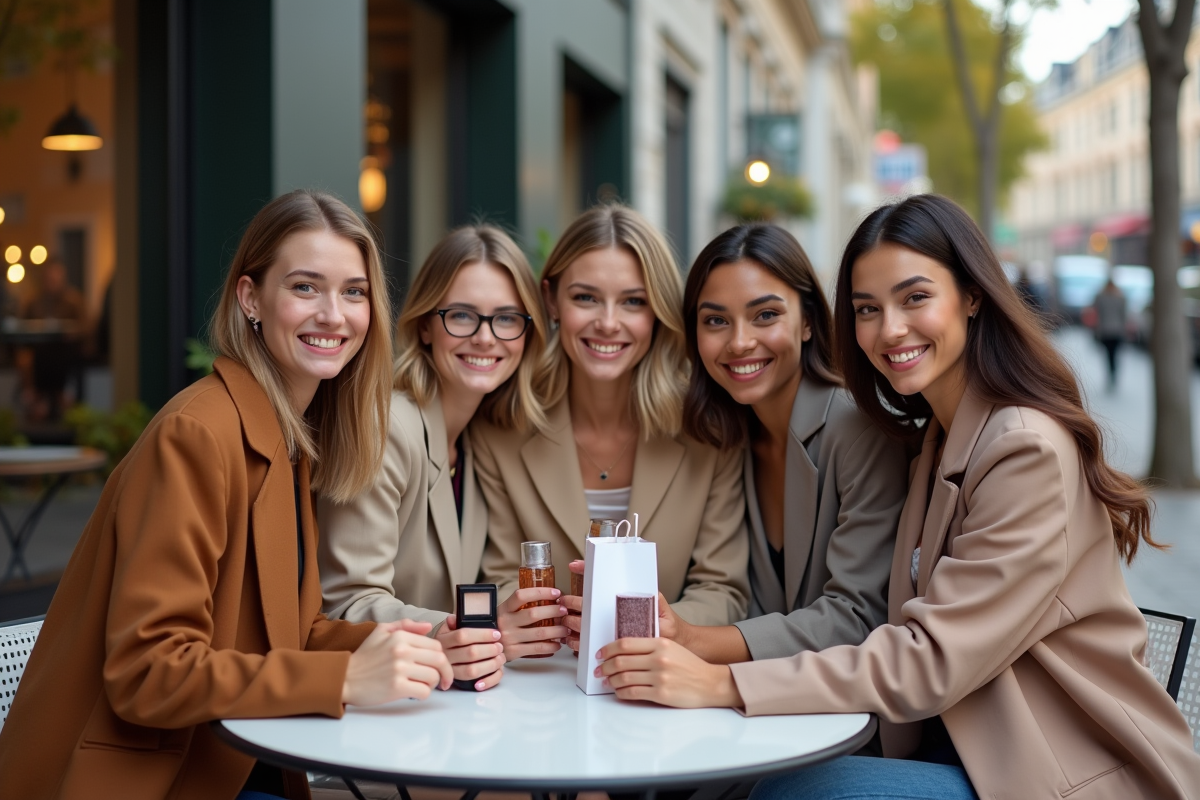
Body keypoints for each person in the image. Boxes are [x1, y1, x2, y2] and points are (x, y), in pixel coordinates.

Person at [596, 195, 1200, 799]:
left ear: (971, 296)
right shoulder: (936, 436)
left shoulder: (1024, 450)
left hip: (1058, 769)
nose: (890, 329)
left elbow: (925, 657)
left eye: (915, 298)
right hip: (954, 747)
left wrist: (721, 683)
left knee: (797, 795)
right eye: (867, 309)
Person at [0, 190, 454, 800]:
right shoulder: (197, 434)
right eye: (304, 287)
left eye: (354, 291)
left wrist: (420, 643)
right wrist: (346, 676)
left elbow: (289, 635)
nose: (333, 314)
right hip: (150, 779)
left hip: (235, 763)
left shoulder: (286, 433)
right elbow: (149, 671)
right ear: (250, 299)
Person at [638, 223, 906, 675]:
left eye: (765, 315)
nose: (740, 341)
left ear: (806, 322)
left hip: (852, 721)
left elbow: (858, 618)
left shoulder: (858, 430)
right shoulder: (726, 436)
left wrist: (690, 638)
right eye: (716, 321)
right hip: (760, 711)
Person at [474, 204, 750, 639]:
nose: (607, 323)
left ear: (657, 311)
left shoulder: (707, 429)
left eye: (633, 302)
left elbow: (722, 588)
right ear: (551, 300)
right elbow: (503, 575)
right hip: (541, 678)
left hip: (663, 678)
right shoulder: (500, 427)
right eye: (585, 297)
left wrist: (650, 628)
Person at [318, 225, 568, 688]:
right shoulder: (387, 425)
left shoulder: (479, 438)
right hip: (367, 707)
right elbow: (347, 603)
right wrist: (474, 633)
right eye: (462, 316)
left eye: (508, 318)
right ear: (426, 325)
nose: (486, 338)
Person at [1092, 277, 1127, 390]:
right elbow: (1124, 315)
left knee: (1108, 354)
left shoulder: (1100, 297)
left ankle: (1110, 373)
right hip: (1116, 330)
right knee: (1115, 354)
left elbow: (1095, 311)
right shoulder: (1120, 298)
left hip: (1105, 330)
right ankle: (1113, 373)